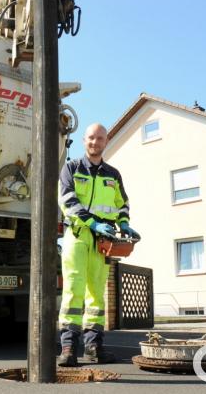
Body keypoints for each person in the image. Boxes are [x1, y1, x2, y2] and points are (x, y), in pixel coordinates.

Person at [56, 123, 140, 367]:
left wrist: (123, 224)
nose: (95, 142)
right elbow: (67, 201)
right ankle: (68, 348)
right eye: (91, 138)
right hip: (78, 235)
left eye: (100, 138)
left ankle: (93, 346)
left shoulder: (113, 174)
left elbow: (122, 203)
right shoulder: (71, 168)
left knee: (96, 293)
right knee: (74, 289)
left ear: (106, 141)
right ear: (84, 140)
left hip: (104, 241)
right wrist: (93, 223)